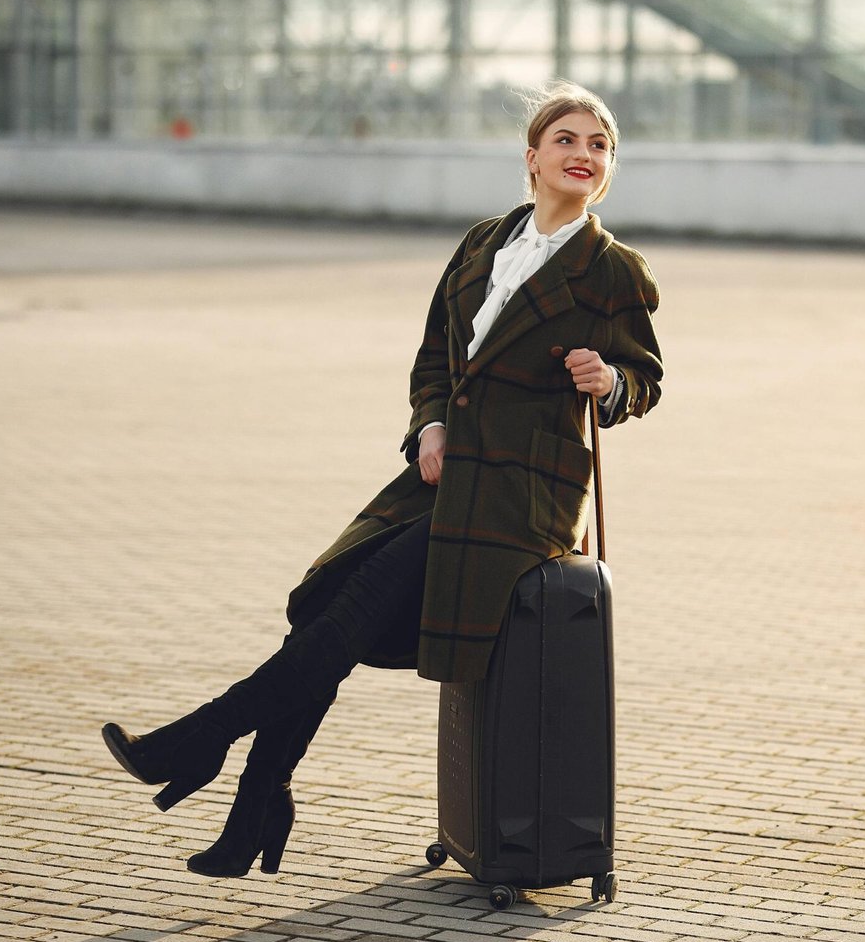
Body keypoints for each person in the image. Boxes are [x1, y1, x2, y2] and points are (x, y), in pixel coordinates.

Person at [101, 81, 664, 877]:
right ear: (532, 157)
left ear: (608, 168)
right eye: (567, 139)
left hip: (521, 500)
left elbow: (644, 382)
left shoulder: (613, 271)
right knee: (329, 611)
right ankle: (258, 797)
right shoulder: (483, 243)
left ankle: (195, 745)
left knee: (345, 620)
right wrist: (429, 425)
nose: (584, 154)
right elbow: (434, 359)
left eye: (599, 145)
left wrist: (607, 379)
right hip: (441, 478)